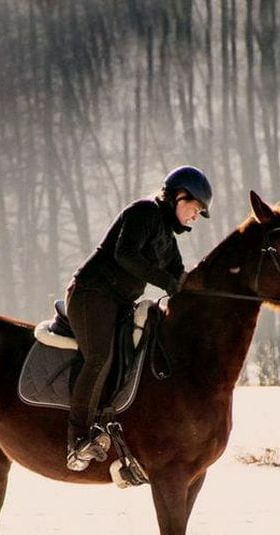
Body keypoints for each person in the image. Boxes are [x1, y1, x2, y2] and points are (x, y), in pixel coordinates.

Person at [64, 165, 213, 471]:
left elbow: (178, 277)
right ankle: (77, 441)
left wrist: (206, 293)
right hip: (91, 294)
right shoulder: (143, 212)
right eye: (194, 208)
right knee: (99, 357)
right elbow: (126, 255)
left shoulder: (168, 240)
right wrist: (168, 283)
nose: (194, 217)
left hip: (119, 304)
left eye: (198, 212)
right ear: (178, 196)